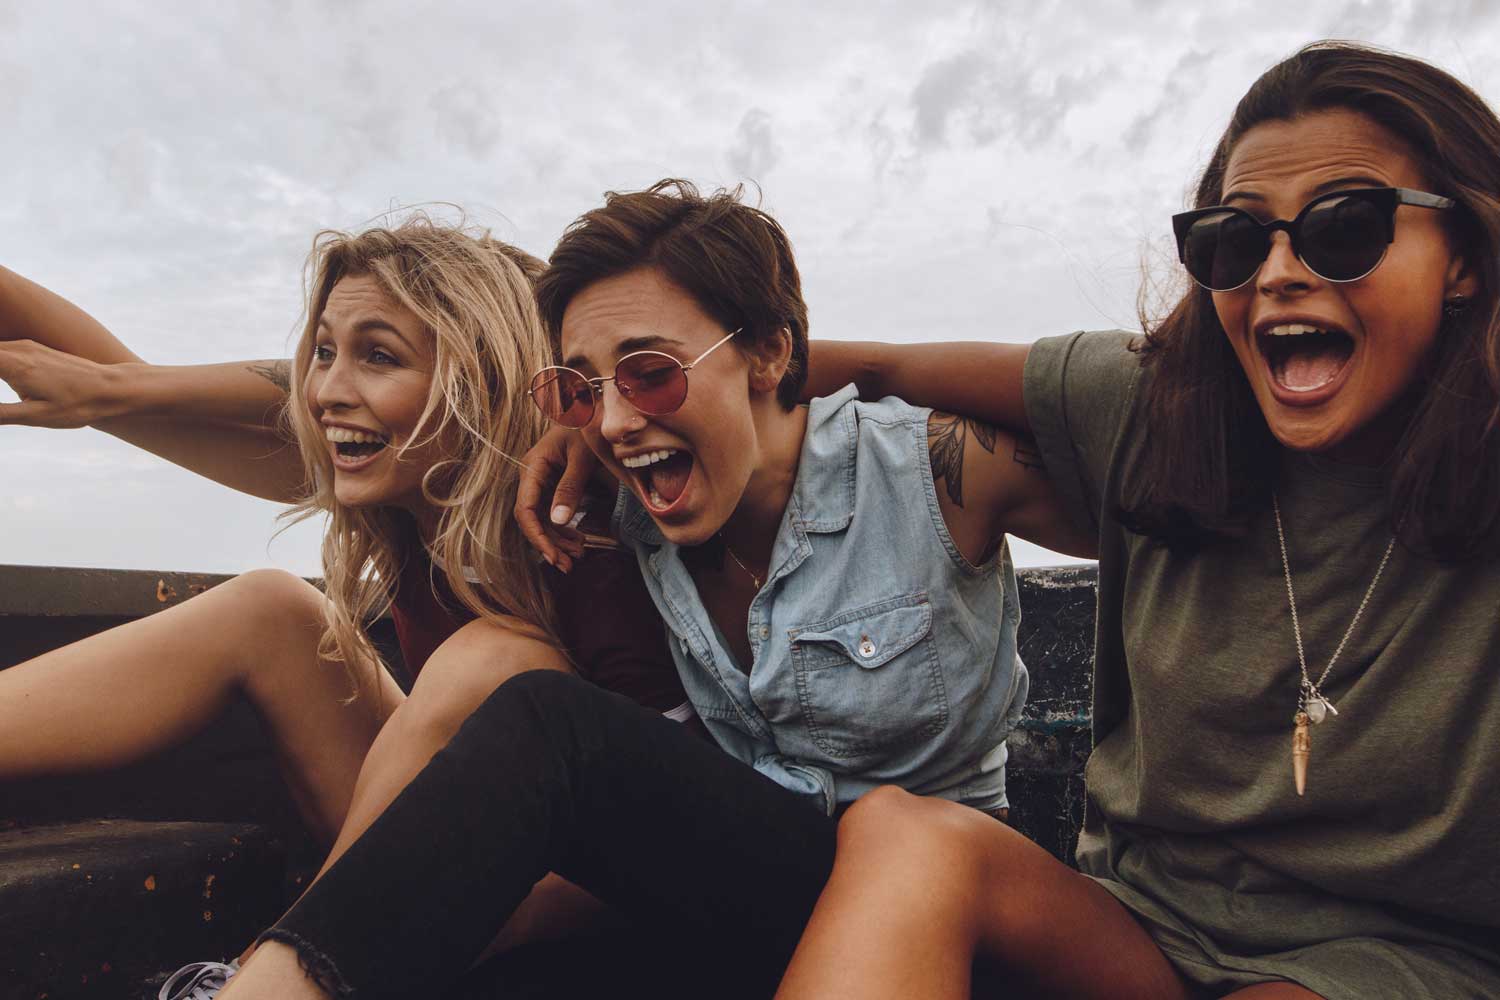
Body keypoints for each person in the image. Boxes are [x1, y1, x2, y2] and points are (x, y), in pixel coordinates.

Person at [205, 179, 1094, 999]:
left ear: (769, 352)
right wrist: (126, 395)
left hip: (950, 909)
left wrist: (876, 363)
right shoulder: (617, 490)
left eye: (651, 372)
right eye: (583, 385)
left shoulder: (934, 470)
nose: (617, 419)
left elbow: (1138, 446)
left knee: (551, 727)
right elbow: (404, 431)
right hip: (759, 889)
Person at [769, 41, 1500, 1000]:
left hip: (1395, 958)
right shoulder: (1159, 408)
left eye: (1347, 226)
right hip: (1140, 929)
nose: (1277, 272)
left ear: (1463, 258)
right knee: (902, 834)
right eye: (1234, 241)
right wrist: (613, 416)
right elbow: (881, 368)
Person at [0, 217, 690, 998]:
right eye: (324, 352)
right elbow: (125, 386)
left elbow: (668, 839)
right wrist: (108, 389)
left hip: (576, 909)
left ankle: (272, 974)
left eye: (379, 356)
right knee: (273, 610)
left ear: (477, 383)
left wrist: (409, 920)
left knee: (498, 659)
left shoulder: (579, 528)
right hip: (425, 865)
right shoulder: (403, 484)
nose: (328, 390)